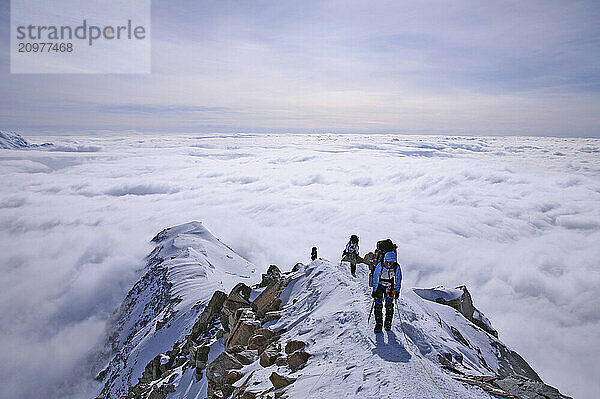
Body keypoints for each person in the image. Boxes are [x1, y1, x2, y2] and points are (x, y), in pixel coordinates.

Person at [371, 251, 402, 333]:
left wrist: (397, 291)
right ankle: (379, 323)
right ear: (385, 260)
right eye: (388, 262)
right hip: (380, 286)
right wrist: (375, 290)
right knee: (378, 304)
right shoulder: (380, 265)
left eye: (391, 263)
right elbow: (375, 277)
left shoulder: (396, 267)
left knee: (389, 305)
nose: (389, 265)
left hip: (390, 287)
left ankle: (388, 323)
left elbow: (398, 279)